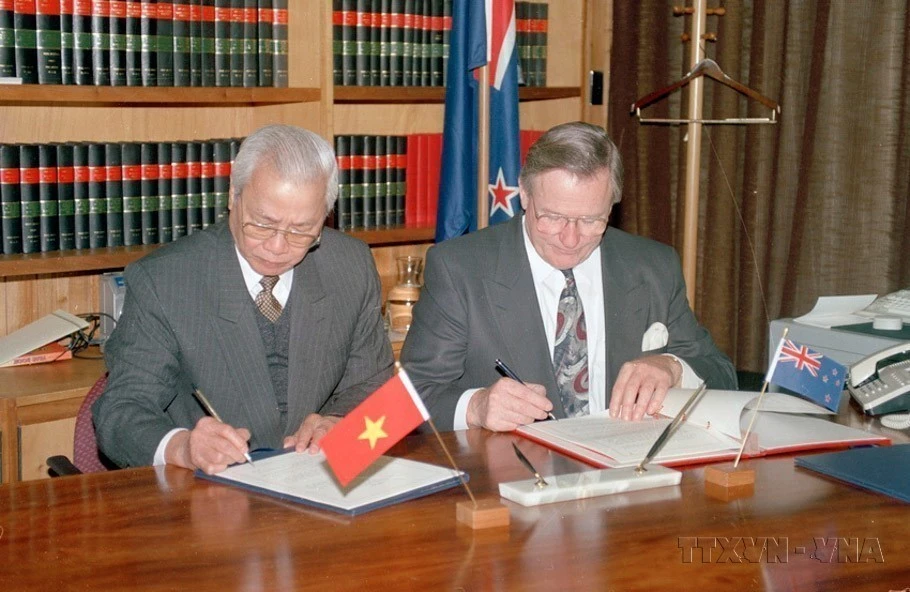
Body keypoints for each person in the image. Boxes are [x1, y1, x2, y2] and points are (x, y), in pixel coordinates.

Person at [94, 124, 394, 473]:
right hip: (206, 496)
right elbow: (121, 411)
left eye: (302, 230)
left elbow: (378, 393)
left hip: (318, 483)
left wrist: (342, 424)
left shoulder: (350, 265)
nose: (278, 247)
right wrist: (183, 447)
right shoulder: (166, 281)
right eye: (263, 224)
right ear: (232, 196)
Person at [400, 121, 736, 432]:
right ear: (524, 195)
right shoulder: (460, 268)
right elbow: (410, 399)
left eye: (591, 220)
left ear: (612, 206)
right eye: (552, 217)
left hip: (627, 474)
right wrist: (476, 407)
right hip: (515, 478)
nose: (571, 239)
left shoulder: (652, 266)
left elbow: (722, 374)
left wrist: (671, 367)